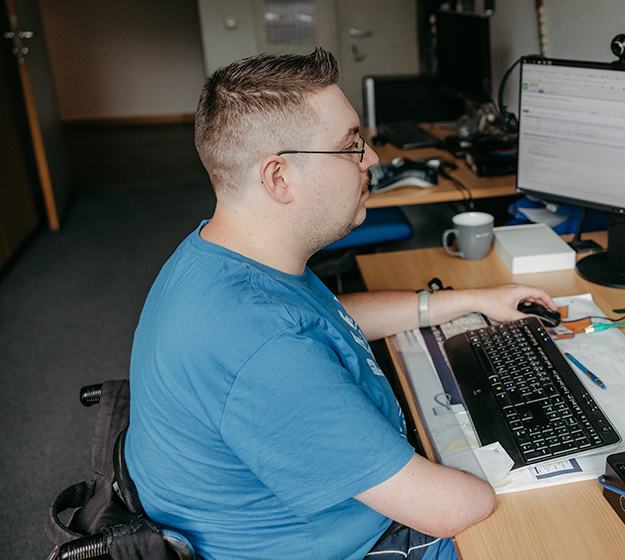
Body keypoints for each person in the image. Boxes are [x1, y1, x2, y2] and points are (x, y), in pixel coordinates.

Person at [124, 48, 557, 560]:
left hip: (305, 508)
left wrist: (473, 300)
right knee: (557, 527)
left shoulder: (223, 255)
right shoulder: (259, 345)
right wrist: (522, 465)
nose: (372, 158)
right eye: (351, 145)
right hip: (347, 546)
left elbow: (331, 320)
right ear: (278, 178)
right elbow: (447, 510)